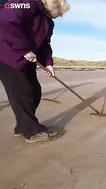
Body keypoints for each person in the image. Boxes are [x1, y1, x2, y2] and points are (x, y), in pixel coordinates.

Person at [0, 0, 70, 143]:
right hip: (7, 54)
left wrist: (48, 63)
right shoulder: (26, 3)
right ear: (52, 5)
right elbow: (6, 20)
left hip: (27, 58)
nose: (58, 17)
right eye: (58, 13)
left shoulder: (48, 21)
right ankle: (32, 132)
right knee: (22, 92)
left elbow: (45, 44)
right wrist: (24, 49)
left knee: (34, 91)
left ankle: (22, 126)